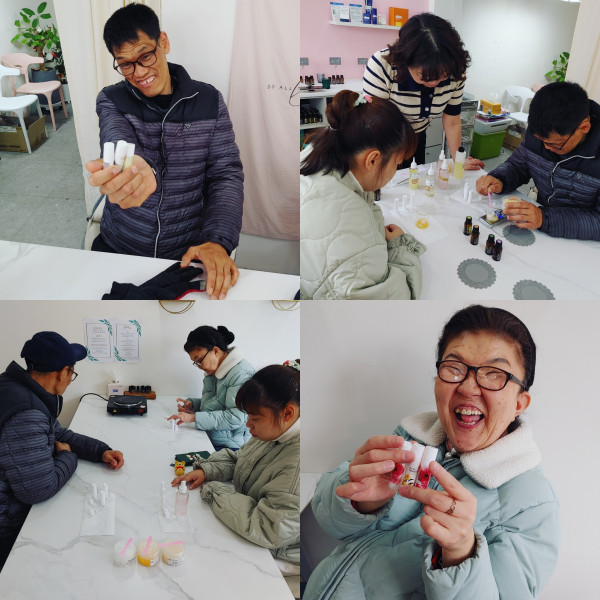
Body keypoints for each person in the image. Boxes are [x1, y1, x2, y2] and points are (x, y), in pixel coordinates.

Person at [304, 305, 559, 599]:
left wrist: (460, 553)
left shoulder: (534, 505)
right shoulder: (411, 435)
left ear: (519, 403)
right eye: (454, 367)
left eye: (494, 374)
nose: (468, 387)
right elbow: (329, 521)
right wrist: (360, 502)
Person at [85, 3, 244, 300]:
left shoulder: (209, 100)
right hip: (120, 249)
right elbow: (116, 138)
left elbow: (226, 175)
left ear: (164, 42)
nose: (139, 72)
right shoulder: (111, 99)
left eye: (145, 55)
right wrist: (136, 168)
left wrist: (217, 240)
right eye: (125, 64)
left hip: (186, 256)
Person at [0, 332, 125, 571]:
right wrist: (67, 455)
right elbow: (38, 489)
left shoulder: (18, 389)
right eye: (72, 373)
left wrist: (100, 451)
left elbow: (58, 433)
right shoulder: (27, 413)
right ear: (62, 372)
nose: (70, 380)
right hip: (7, 528)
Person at [172, 362, 300, 572]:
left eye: (255, 418)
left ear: (287, 413)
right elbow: (241, 458)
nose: (247, 425)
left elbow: (267, 528)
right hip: (249, 527)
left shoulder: (297, 463)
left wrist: (214, 490)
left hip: (272, 553)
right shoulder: (275, 431)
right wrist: (206, 470)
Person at [300, 90, 426, 300]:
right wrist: (401, 248)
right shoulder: (353, 242)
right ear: (373, 159)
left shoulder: (318, 150)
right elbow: (396, 300)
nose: (395, 170)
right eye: (397, 163)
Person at [476, 81, 600, 241]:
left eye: (554, 144)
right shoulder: (540, 133)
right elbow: (517, 166)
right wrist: (499, 179)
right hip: (543, 227)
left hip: (583, 241)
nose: (546, 148)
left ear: (584, 127)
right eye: (541, 141)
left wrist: (545, 218)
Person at [363, 12, 484, 170]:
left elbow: (452, 121)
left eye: (443, 75)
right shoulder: (381, 66)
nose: (434, 82)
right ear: (406, 62)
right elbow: (376, 121)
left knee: (415, 177)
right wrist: (393, 157)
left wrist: (459, 160)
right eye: (424, 77)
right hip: (382, 139)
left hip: (417, 136)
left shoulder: (456, 72)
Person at [167, 325, 255, 451]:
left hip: (230, 447)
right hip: (210, 437)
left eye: (199, 360)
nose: (199, 366)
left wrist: (193, 418)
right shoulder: (213, 370)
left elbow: (235, 417)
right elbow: (218, 403)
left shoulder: (241, 374)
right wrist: (194, 405)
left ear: (215, 351)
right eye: (195, 362)